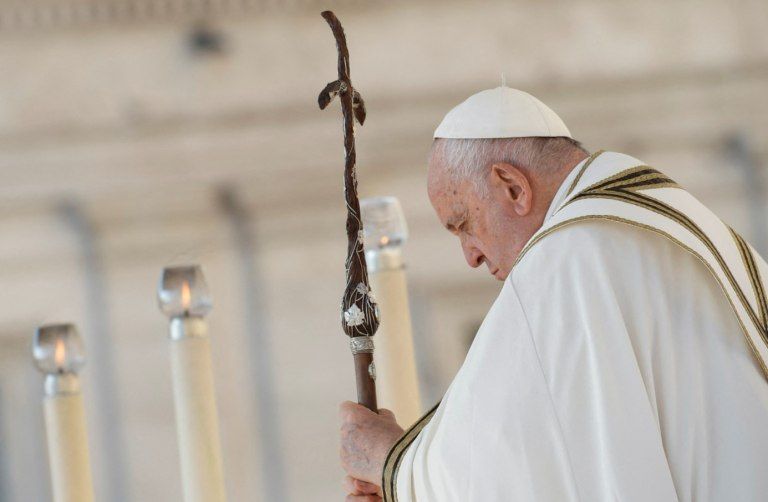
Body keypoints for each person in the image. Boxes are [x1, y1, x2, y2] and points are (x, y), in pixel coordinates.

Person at [339, 87, 768, 501]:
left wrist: (391, 465)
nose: (470, 254)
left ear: (512, 186)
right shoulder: (665, 215)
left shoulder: (568, 257)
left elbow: (518, 463)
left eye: (463, 223)